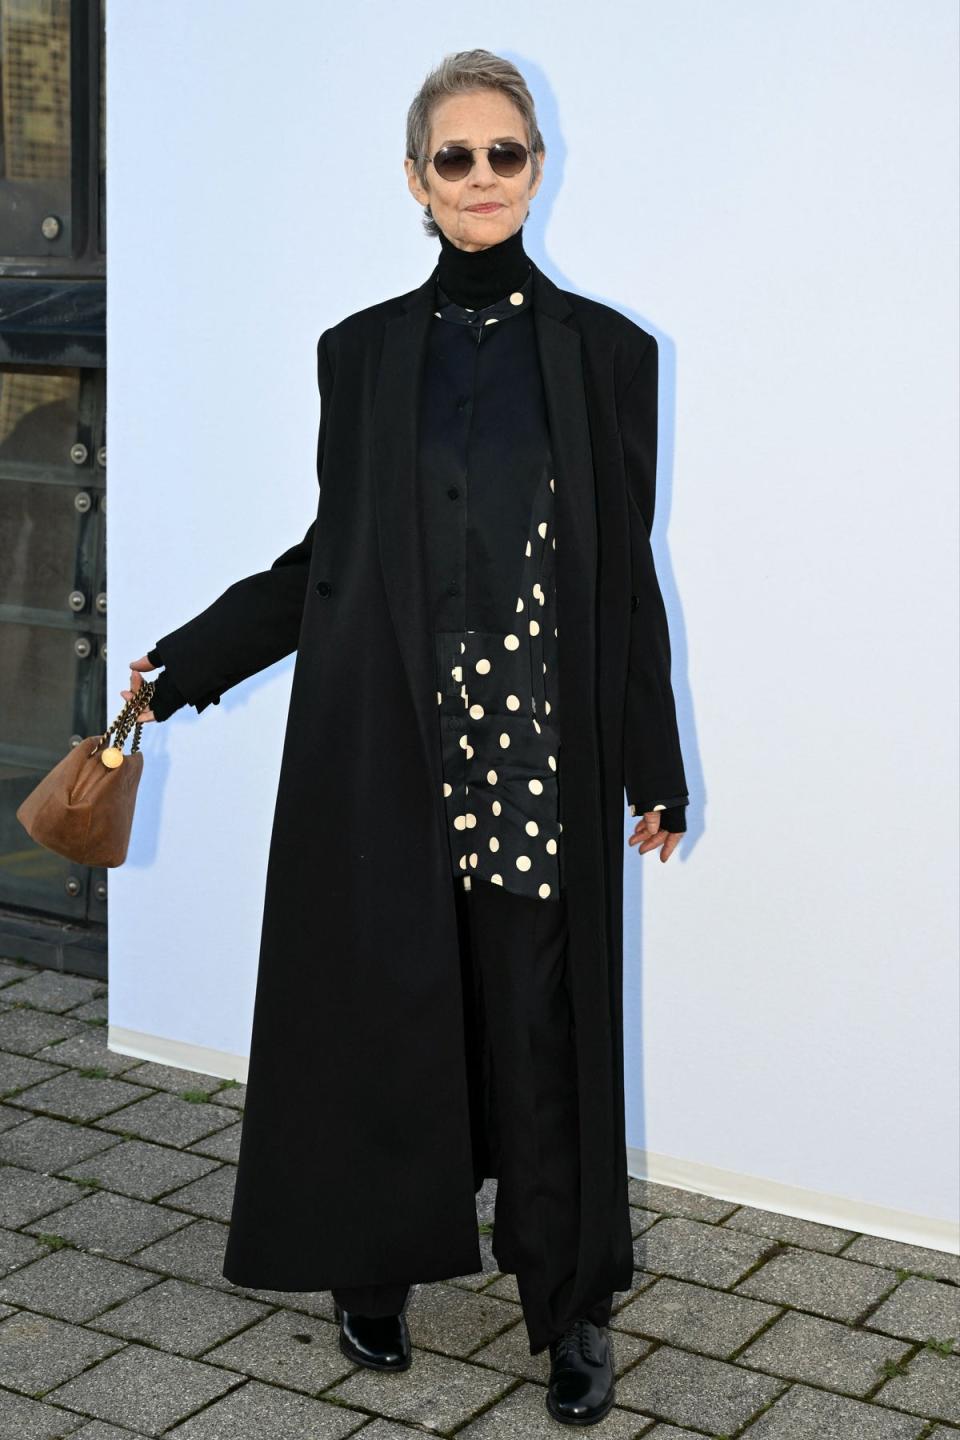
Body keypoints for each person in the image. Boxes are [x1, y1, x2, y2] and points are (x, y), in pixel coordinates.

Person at [124, 49, 689, 1427]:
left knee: (540, 1029)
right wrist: (186, 664)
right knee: (392, 1015)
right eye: (457, 157)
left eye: (509, 153)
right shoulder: (361, 355)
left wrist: (653, 755)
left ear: (538, 168)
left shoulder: (609, 354)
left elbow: (627, 567)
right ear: (416, 180)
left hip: (542, 758)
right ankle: (373, 1266)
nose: (484, 178)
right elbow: (333, 555)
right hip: (398, 747)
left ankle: (566, 1306)